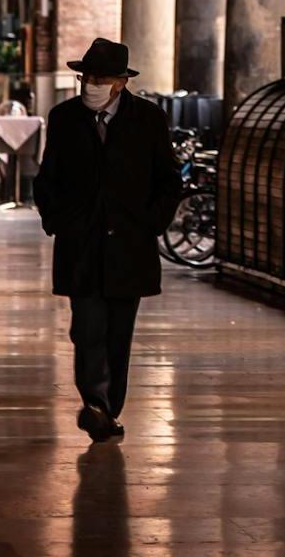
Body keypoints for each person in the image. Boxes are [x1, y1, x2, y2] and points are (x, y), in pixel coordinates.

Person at [33, 38, 181, 443]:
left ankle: (109, 408)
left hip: (128, 246)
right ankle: (94, 402)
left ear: (120, 82)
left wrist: (151, 222)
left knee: (119, 333)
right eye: (86, 77)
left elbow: (169, 181)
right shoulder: (64, 117)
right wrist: (58, 219)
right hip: (81, 243)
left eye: (100, 78)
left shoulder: (148, 119)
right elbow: (48, 177)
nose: (91, 84)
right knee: (87, 327)